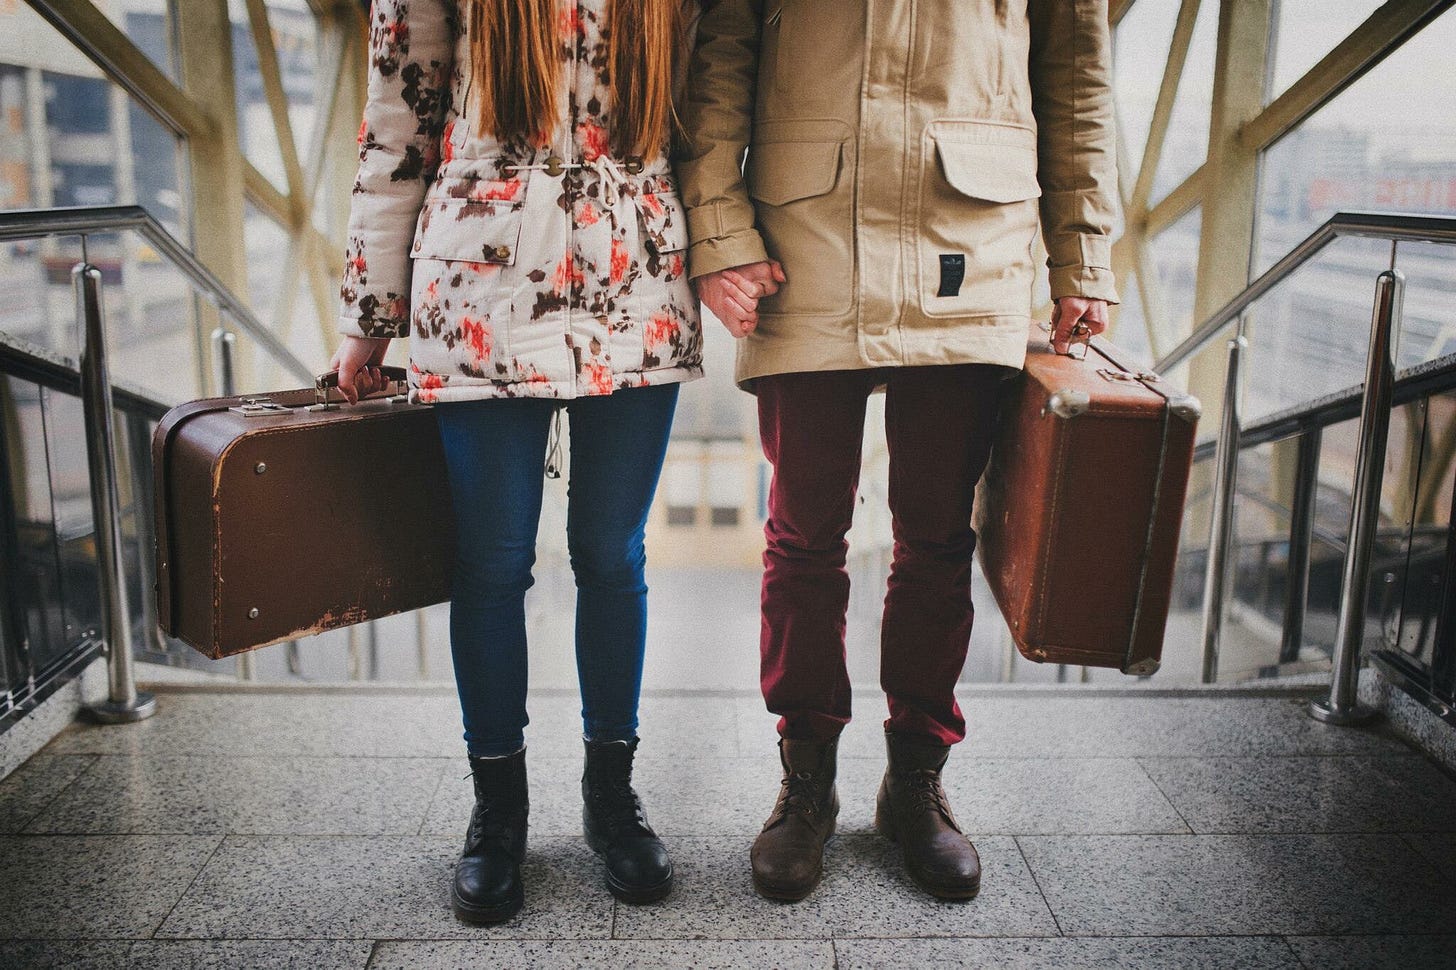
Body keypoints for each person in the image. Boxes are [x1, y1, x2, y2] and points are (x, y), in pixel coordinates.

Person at [677, 0, 1119, 902]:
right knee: (802, 539)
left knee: (936, 537)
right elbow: (718, 55)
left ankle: (916, 780)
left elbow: (1075, 71)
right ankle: (807, 783)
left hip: (971, 235)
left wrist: (1086, 255)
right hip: (803, 240)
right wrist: (720, 234)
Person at [331, 0, 701, 924]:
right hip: (480, 283)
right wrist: (369, 317)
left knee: (612, 556)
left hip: (639, 280)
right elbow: (397, 126)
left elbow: (710, 112)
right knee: (492, 564)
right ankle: (499, 811)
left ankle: (611, 797)